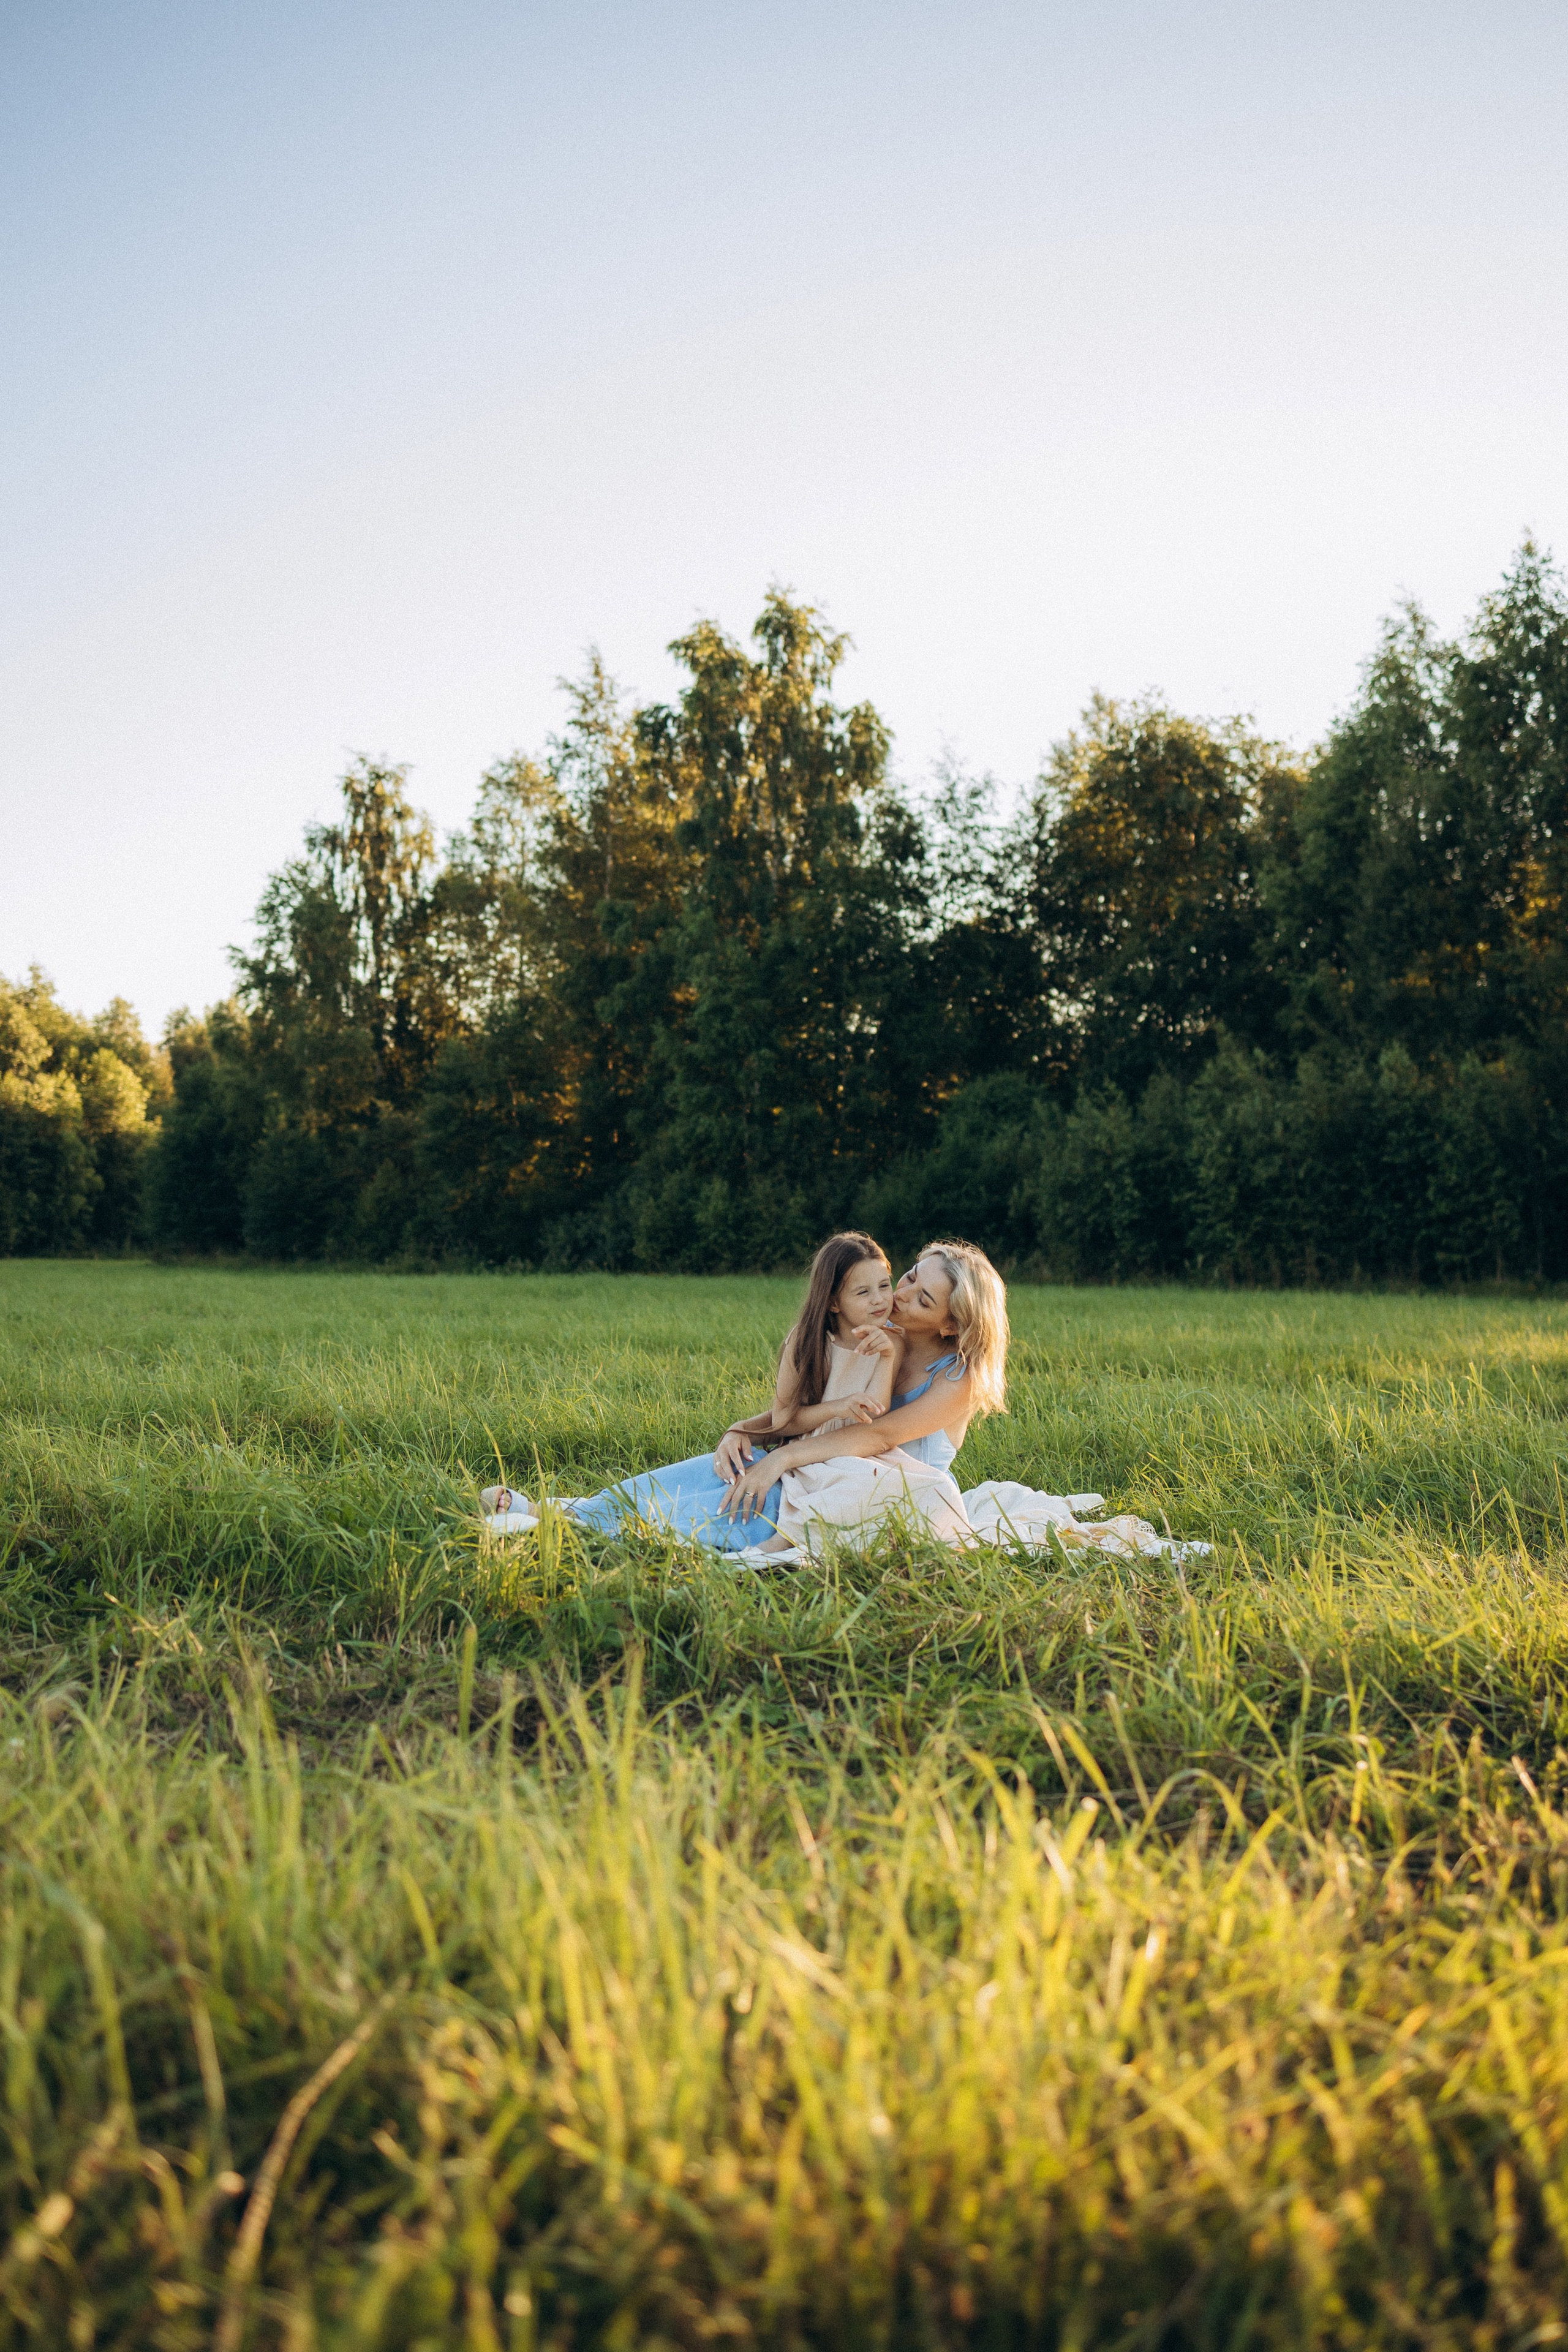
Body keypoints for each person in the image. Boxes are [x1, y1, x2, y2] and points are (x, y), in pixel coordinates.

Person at [482, 1232, 904, 1553]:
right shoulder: (806, 1340)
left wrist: (884, 1360)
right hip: (782, 1458)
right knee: (665, 1485)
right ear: (832, 1302)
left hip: (823, 1479)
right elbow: (782, 1421)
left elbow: (877, 1412)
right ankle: (559, 1511)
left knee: (687, 1516)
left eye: (884, 1286)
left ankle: (555, 1530)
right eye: (863, 1292)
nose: (879, 1300)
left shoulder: (893, 1342)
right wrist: (835, 1406)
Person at [717, 1240, 1009, 1561]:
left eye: (923, 1301)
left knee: (775, 1495)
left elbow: (878, 1434)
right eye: (911, 1277)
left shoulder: (957, 1378)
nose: (900, 1295)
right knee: (724, 1480)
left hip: (895, 1492)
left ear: (950, 1325)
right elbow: (821, 1409)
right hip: (829, 1467)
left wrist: (782, 1458)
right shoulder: (874, 1331)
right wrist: (742, 1430)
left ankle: (776, 1545)